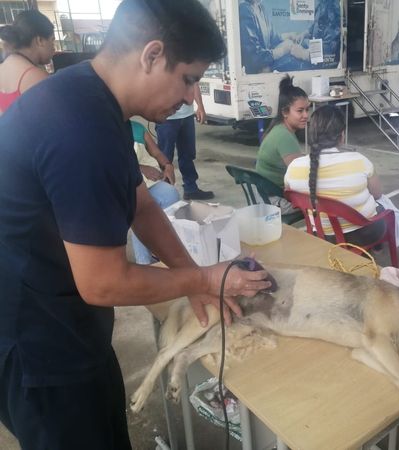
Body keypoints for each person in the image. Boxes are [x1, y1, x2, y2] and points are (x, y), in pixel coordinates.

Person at [0, 1, 271, 449]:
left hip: (71, 325)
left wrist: (192, 278)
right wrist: (206, 277)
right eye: (188, 79)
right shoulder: (80, 129)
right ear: (152, 55)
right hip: (37, 346)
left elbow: (140, 205)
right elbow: (102, 283)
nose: (191, 97)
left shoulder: (93, 98)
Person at [284, 104, 387, 247]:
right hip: (362, 235)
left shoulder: (294, 167)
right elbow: (377, 194)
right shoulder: (359, 161)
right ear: (342, 135)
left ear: (312, 135)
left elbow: (291, 197)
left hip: (320, 236)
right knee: (384, 207)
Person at [255, 75, 308, 211]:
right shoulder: (285, 137)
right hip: (274, 201)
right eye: (300, 111)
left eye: (307, 110)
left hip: (264, 196)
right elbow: (300, 176)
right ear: (285, 112)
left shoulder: (278, 128)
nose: (306, 115)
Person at [130, 120, 180, 263]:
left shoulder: (138, 128)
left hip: (149, 182)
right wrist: (140, 168)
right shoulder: (106, 129)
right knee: (140, 211)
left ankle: (164, 251)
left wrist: (168, 166)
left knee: (170, 194)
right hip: (126, 183)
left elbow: (156, 152)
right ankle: (144, 262)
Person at [155, 83, 214, 200]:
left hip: (187, 115)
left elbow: (194, 83)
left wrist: (200, 106)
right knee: (165, 157)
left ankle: (191, 189)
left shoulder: (187, 70)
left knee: (188, 154)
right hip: (167, 118)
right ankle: (164, 193)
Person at [0, 10, 54, 115]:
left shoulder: (2, 68)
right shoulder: (37, 78)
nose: (53, 48)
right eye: (52, 40)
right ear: (40, 40)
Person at [239, 0, 295, 74]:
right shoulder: (244, 10)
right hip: (256, 73)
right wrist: (280, 51)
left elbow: (272, 37)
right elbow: (253, 56)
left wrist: (287, 36)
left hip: (267, 66)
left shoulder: (260, 8)